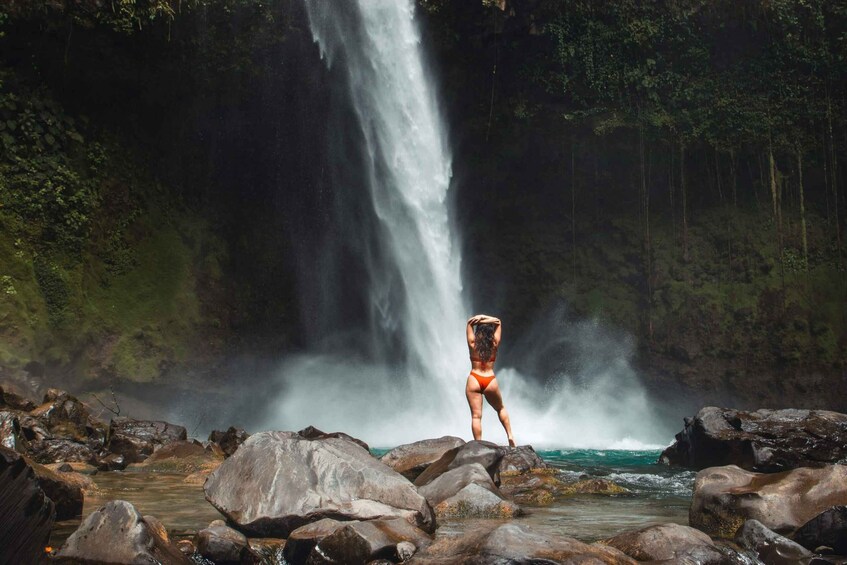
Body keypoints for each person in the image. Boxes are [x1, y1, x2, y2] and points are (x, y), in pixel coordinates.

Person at [466, 314, 515, 447]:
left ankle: (478, 444)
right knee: (500, 408)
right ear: (490, 333)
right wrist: (487, 318)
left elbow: (470, 322)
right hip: (489, 379)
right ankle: (510, 435)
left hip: (474, 378)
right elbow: (498, 322)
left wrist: (479, 318)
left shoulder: (472, 343)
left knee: (476, 416)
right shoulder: (494, 344)